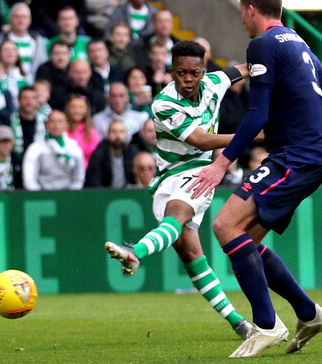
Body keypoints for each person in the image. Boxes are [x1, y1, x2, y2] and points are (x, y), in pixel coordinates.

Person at [188, 0, 322, 358]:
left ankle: (266, 324)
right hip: (307, 157)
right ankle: (310, 314)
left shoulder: (260, 45)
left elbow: (257, 112)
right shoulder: (300, 43)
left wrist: (220, 164)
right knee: (247, 240)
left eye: (241, 11)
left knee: (224, 225)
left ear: (250, 9)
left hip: (295, 158)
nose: (242, 20)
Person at [104, 40, 253, 341]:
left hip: (200, 173)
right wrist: (252, 134)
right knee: (192, 257)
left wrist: (263, 64)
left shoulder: (213, 82)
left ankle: (136, 252)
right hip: (166, 178)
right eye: (181, 72)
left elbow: (237, 72)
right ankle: (239, 323)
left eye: (194, 73)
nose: (188, 79)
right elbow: (199, 139)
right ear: (171, 72)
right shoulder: (163, 104)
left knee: (176, 215)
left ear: (203, 71)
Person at [22, 109, 85, 190]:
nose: (56, 125)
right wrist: (39, 195)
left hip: (69, 195)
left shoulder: (74, 148)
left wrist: (72, 195)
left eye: (60, 121)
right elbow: (29, 179)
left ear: (66, 125)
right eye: (52, 121)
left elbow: (79, 177)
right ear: (46, 125)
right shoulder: (35, 148)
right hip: (43, 196)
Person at [0, 2, 48, 81]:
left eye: (24, 17)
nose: (21, 20)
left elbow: (42, 64)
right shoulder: (2, 39)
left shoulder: (37, 40)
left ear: (30, 20)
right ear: (10, 19)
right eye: (17, 17)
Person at [85, 119, 137, 188]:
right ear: (108, 135)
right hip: (105, 195)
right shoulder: (98, 155)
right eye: (114, 132)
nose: (118, 136)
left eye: (121, 132)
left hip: (127, 194)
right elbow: (94, 183)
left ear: (126, 135)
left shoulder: (131, 153)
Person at [9, 86, 46, 158]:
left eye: (33, 98)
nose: (29, 102)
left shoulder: (44, 123)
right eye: (25, 98)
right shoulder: (9, 121)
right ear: (18, 100)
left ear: (37, 101)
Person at [65, 94, 99, 169]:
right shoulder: (62, 130)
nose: (77, 111)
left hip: (86, 171)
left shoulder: (92, 132)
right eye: (73, 107)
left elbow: (93, 157)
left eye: (81, 107)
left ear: (86, 110)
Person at [36, 41, 71, 111]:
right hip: (50, 110)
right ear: (51, 55)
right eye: (57, 54)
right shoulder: (44, 69)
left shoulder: (74, 69)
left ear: (69, 56)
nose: (61, 58)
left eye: (64, 53)